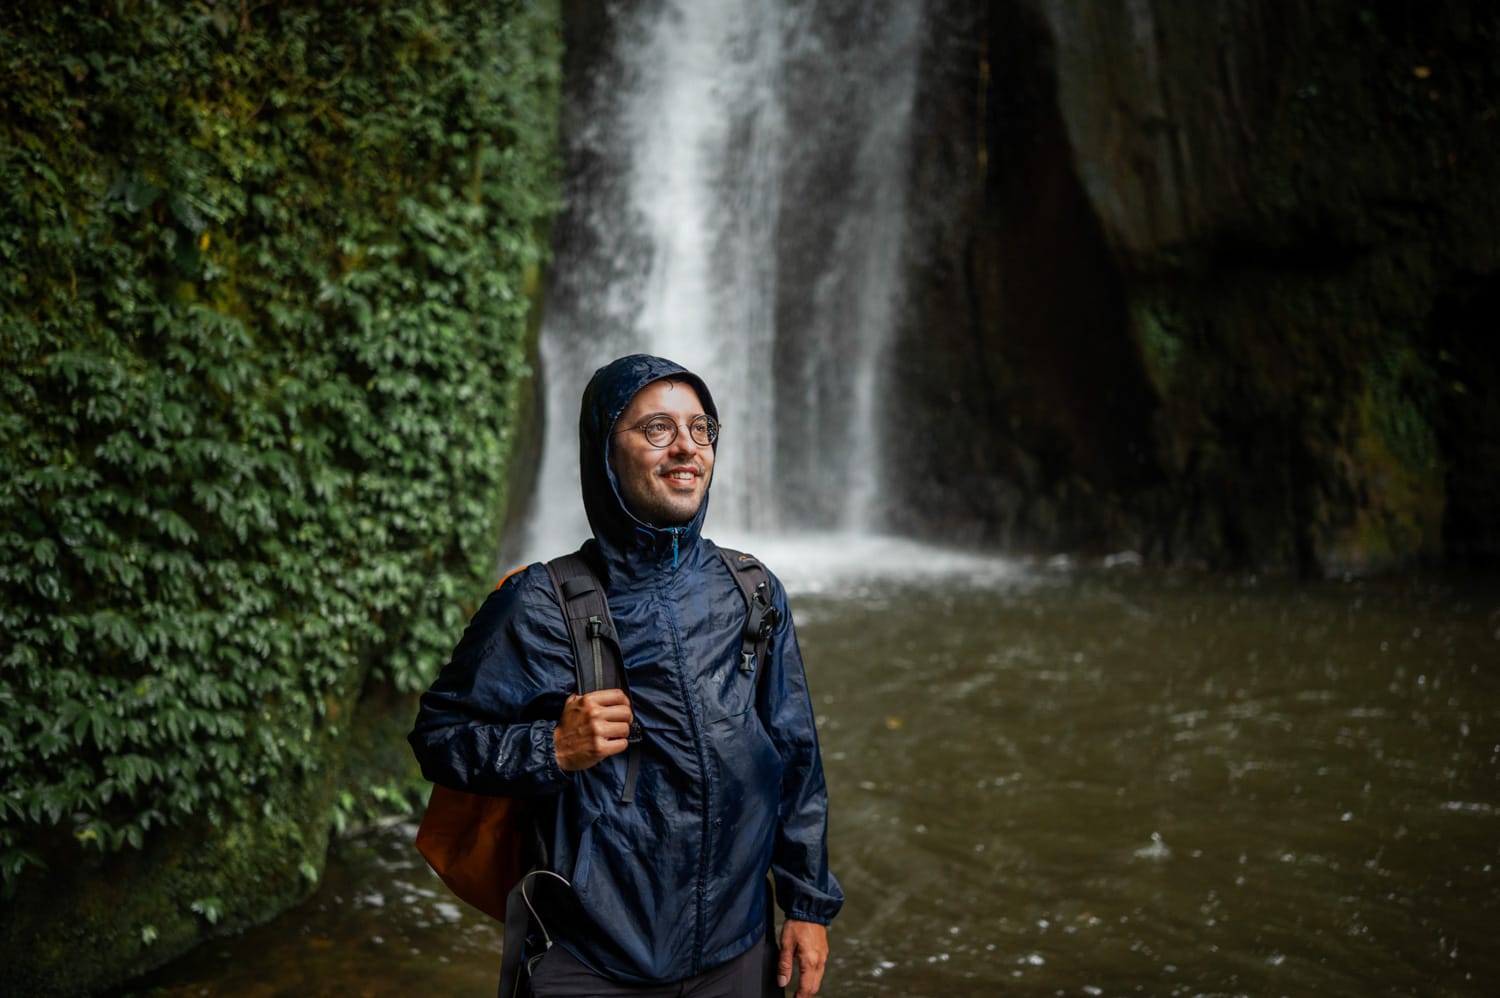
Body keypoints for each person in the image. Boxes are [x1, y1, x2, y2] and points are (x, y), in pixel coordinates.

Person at [409, 354, 843, 997]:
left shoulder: (751, 590)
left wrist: (806, 906)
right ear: (604, 450)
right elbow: (439, 736)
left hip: (739, 954)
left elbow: (795, 755)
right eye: (657, 429)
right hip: (591, 965)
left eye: (701, 430)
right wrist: (551, 748)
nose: (687, 450)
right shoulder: (540, 602)